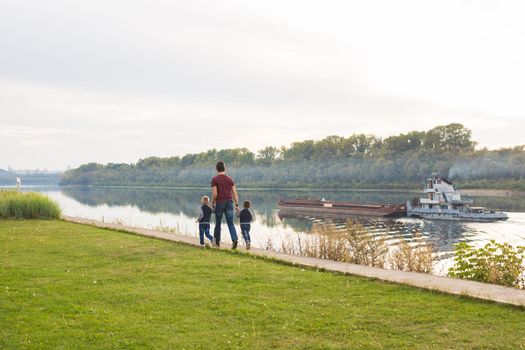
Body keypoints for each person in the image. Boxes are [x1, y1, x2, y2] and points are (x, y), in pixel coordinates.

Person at [211, 161, 239, 249]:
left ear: (216, 169)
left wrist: (212, 201)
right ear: (224, 168)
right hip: (229, 203)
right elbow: (234, 192)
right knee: (230, 223)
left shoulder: (215, 179)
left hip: (220, 203)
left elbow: (215, 194)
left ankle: (217, 243)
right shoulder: (230, 179)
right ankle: (234, 240)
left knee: (218, 223)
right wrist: (237, 205)